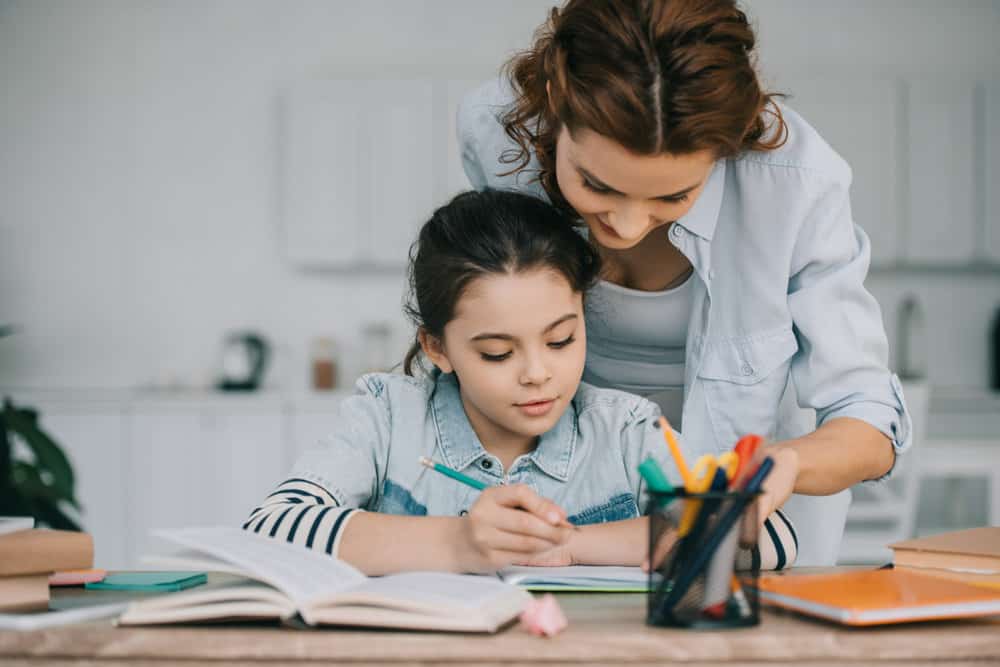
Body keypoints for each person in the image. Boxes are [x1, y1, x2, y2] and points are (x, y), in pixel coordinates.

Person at [456, 0, 912, 566]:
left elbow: (868, 417)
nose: (625, 225)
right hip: (569, 516)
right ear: (555, 107)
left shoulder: (796, 187)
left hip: (756, 535)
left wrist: (785, 465)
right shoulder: (496, 137)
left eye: (672, 196)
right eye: (596, 184)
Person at [243, 189, 796, 575]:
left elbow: (766, 539)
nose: (538, 373)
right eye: (497, 352)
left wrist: (572, 545)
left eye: (560, 340)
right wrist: (460, 542)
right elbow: (270, 529)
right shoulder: (388, 417)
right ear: (437, 347)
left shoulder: (625, 429)